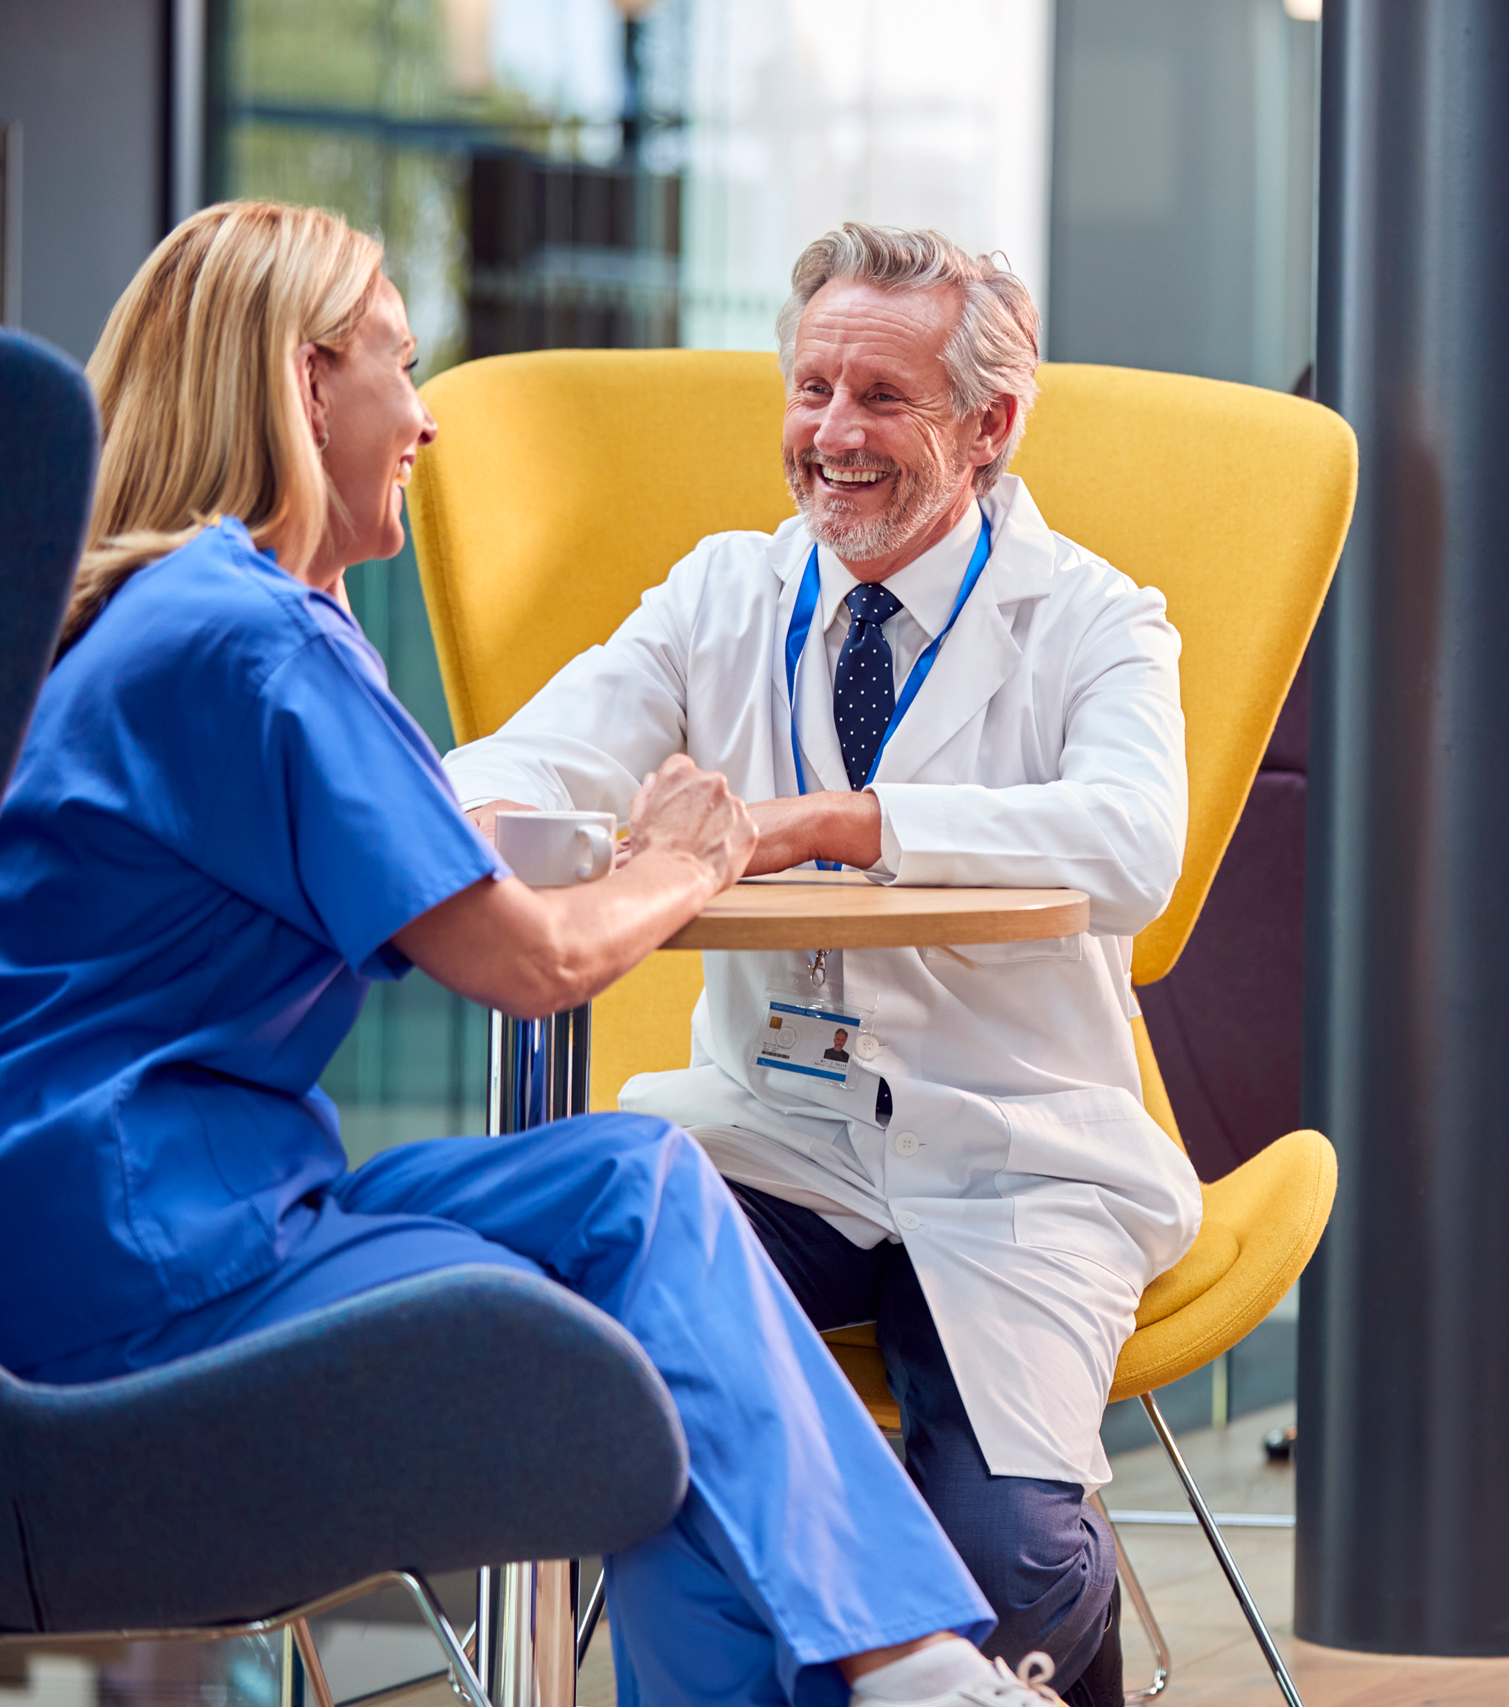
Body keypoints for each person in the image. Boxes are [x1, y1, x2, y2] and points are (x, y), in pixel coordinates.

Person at [0, 201, 1071, 1707]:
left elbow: (424, 821)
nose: (425, 419)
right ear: (309, 387)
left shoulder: (167, 613)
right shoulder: (257, 640)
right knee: (642, 1315)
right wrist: (687, 860)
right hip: (154, 1262)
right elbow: (535, 959)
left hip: (149, 1214)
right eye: (401, 364)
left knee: (632, 1191)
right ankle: (907, 1658)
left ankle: (904, 1658)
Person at [445, 222, 1195, 1704]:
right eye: (812, 388)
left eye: (882, 398)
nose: (831, 436)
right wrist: (422, 809)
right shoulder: (721, 594)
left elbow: (1133, 843)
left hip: (1012, 1158)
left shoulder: (1097, 618)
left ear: (992, 424)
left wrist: (837, 823)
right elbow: (530, 758)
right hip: (774, 1143)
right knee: (651, 1448)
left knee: (1003, 1578)